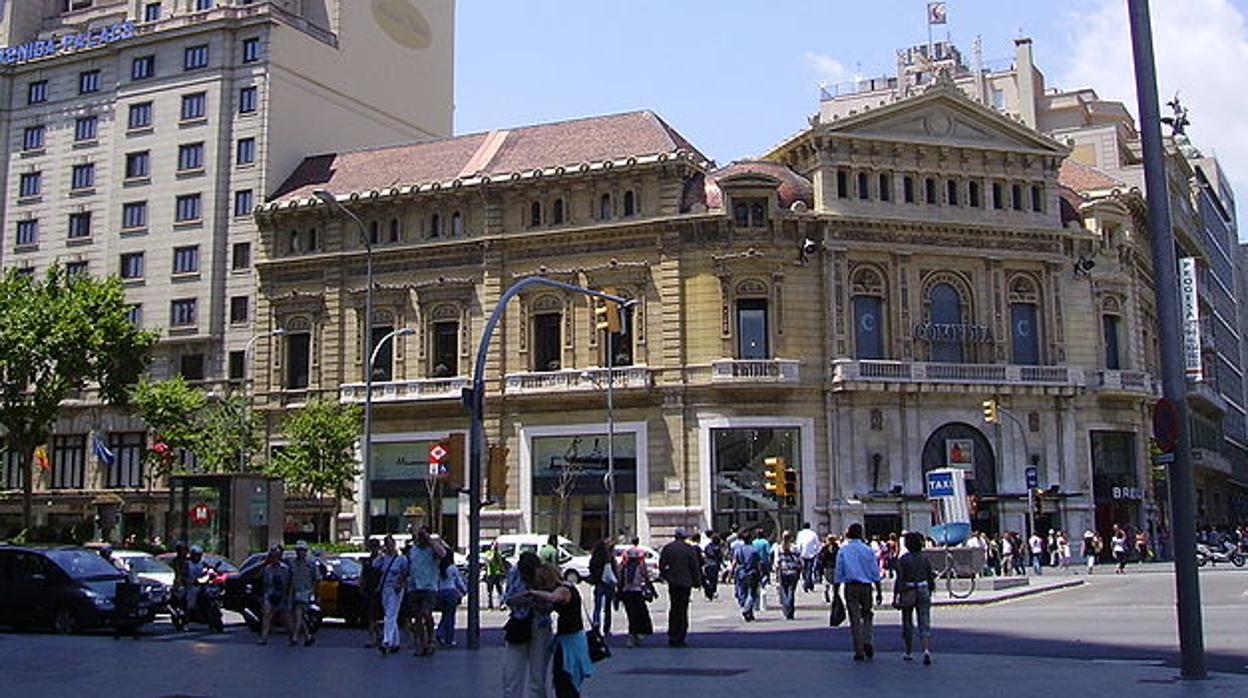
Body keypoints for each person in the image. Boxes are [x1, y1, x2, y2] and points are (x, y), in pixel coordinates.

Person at [523, 564, 594, 698]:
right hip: (571, 639)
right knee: (567, 680)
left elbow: (553, 598)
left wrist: (532, 593)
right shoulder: (568, 587)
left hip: (571, 642)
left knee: (564, 680)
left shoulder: (564, 590)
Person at [503, 552, 552, 698]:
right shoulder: (514, 573)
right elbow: (508, 599)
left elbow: (551, 604)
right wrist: (524, 599)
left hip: (539, 623)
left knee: (537, 676)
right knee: (512, 674)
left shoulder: (544, 573)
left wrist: (538, 599)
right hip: (519, 623)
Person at [835, 523, 882, 662]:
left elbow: (839, 571)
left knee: (854, 618)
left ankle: (859, 650)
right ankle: (868, 640)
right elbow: (875, 571)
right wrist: (878, 590)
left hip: (851, 586)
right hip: (866, 587)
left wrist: (836, 590)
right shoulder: (868, 550)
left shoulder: (844, 550)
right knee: (867, 614)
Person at [895, 532, 936, 665]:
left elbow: (899, 578)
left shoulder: (903, 559)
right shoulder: (925, 558)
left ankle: (908, 652)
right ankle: (926, 650)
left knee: (907, 621)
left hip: (908, 590)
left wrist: (896, 594)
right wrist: (930, 589)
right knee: (924, 620)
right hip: (923, 589)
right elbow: (930, 575)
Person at [659, 528, 702, 647]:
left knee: (673, 608)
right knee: (683, 610)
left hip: (673, 583)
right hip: (685, 583)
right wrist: (697, 581)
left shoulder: (668, 548)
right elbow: (694, 566)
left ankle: (672, 635)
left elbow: (662, 565)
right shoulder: (689, 549)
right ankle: (680, 636)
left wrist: (666, 576)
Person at [407, 527, 446, 656]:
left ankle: (431, 639)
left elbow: (442, 554)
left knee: (426, 612)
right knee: (417, 617)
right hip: (414, 587)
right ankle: (421, 643)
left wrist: (430, 541)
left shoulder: (432, 550)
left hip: (429, 587)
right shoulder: (413, 550)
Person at [374, 534, 408, 655]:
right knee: (390, 614)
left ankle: (386, 640)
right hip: (385, 588)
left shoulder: (401, 559)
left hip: (396, 588)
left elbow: (405, 573)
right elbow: (375, 565)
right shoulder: (384, 558)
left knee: (390, 614)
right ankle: (395, 641)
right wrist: (381, 554)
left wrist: (400, 584)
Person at [616, 543, 653, 647]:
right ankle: (635, 635)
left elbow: (619, 581)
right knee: (640, 614)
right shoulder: (641, 566)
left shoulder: (623, 567)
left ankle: (633, 635)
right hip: (637, 592)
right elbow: (646, 579)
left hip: (626, 593)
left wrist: (618, 595)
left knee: (631, 615)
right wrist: (651, 591)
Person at [288, 540, 321, 647]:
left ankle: (295, 637)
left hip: (306, 592)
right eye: (298, 550)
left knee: (298, 612)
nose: (300, 552)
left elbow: (317, 579)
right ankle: (308, 636)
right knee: (299, 615)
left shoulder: (311, 563)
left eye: (302, 550)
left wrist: (317, 594)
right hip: (293, 591)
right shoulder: (292, 563)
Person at [258, 546, 291, 646]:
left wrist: (286, 597)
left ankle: (292, 636)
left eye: (276, 556)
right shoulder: (267, 569)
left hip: (282, 596)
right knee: (267, 616)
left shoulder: (285, 569)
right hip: (270, 595)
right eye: (272, 556)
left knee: (285, 619)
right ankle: (264, 637)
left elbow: (287, 583)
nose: (274, 558)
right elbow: (264, 583)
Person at [435, 550, 467, 647]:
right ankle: (448, 638)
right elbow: (459, 581)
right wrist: (464, 590)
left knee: (445, 615)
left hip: (440, 593)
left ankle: (440, 632)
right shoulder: (452, 568)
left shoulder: (438, 567)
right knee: (450, 617)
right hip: (451, 593)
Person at [587, 538, 616, 636]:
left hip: (599, 583)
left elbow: (591, 569)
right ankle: (606, 629)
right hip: (608, 584)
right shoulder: (609, 557)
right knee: (607, 608)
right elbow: (614, 570)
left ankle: (596, 625)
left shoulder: (595, 558)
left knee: (597, 607)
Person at [731, 531, 762, 621]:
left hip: (741, 572)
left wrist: (731, 572)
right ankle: (747, 609)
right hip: (752, 572)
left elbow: (735, 561)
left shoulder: (739, 549)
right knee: (752, 593)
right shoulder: (754, 550)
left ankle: (748, 611)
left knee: (742, 592)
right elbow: (758, 563)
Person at [774, 531, 803, 620]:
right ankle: (790, 610)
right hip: (793, 571)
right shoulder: (795, 548)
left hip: (783, 571)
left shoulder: (779, 548)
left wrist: (776, 574)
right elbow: (800, 561)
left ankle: (786, 607)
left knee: (784, 591)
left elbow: (776, 562)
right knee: (791, 591)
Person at [361, 538, 383, 648]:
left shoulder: (382, 561)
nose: (374, 549)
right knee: (370, 615)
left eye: (375, 546)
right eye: (372, 546)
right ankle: (377, 635)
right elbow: (363, 576)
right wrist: (362, 586)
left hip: (378, 590)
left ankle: (373, 638)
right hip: (368, 590)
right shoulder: (367, 561)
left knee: (373, 616)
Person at [795, 522, 821, 593]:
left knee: (805, 570)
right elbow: (818, 544)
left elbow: (798, 544)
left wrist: (798, 553)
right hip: (811, 554)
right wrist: (816, 552)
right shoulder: (813, 534)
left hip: (802, 554)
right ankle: (809, 584)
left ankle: (807, 584)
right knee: (809, 570)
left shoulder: (800, 534)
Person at [750, 529, 772, 612]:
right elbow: (768, 552)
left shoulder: (754, 542)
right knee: (765, 575)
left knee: (757, 576)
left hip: (756, 562)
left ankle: (759, 585)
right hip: (764, 562)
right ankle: (763, 584)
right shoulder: (765, 542)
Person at [485, 541, 510, 611]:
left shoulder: (498, 554)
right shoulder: (488, 553)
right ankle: (490, 606)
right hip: (490, 574)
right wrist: (493, 552)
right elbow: (490, 560)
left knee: (500, 590)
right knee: (490, 592)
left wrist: (503, 572)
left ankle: (502, 604)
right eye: (494, 546)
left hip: (497, 574)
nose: (496, 547)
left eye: (496, 546)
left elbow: (500, 564)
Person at [817, 534, 839, 603]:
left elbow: (821, 558)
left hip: (827, 567)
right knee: (835, 582)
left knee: (827, 582)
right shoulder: (837, 548)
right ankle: (834, 595)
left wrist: (820, 568)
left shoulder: (825, 548)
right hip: (835, 567)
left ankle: (826, 592)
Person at [701, 531, 723, 601]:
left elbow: (706, 554)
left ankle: (708, 594)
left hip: (708, 564)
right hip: (714, 565)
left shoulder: (708, 546)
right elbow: (720, 557)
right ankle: (713, 592)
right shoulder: (718, 547)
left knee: (708, 580)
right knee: (714, 580)